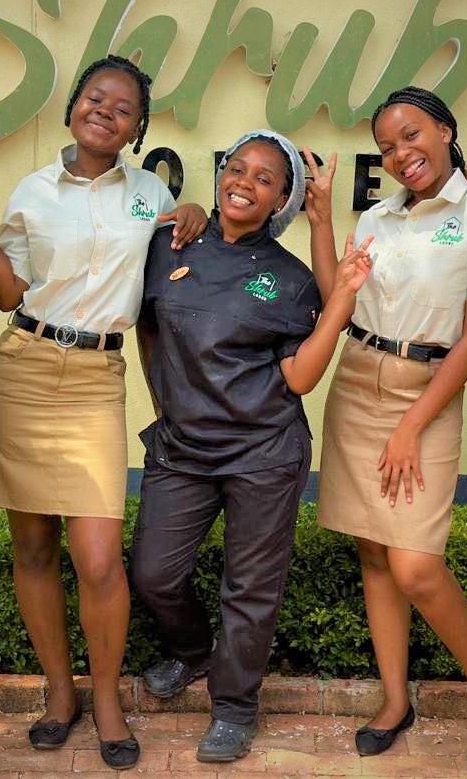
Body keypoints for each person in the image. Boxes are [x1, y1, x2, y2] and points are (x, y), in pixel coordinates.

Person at [0, 55, 207, 770]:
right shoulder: (32, 191)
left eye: (124, 108)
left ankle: (106, 701)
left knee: (98, 559)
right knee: (33, 548)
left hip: (98, 377)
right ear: (73, 107)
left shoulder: (149, 193)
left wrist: (194, 213)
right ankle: (60, 695)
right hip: (25, 368)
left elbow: (172, 260)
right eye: (96, 98)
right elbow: (7, 291)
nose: (106, 112)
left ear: (137, 129)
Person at [130, 129, 374, 763]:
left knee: (250, 588)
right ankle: (193, 652)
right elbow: (148, 326)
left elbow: (301, 378)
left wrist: (341, 302)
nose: (245, 183)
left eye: (265, 179)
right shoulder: (169, 244)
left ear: (281, 201)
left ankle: (235, 707)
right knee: (153, 573)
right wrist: (164, 399)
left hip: (263, 450)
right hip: (182, 447)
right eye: (237, 168)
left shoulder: (291, 280)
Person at [307, 86, 467, 758]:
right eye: (387, 146)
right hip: (356, 380)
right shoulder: (378, 216)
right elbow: (336, 300)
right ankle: (395, 699)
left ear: (446, 130)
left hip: (427, 392)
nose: (401, 153)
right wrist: (320, 221)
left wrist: (409, 428)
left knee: (416, 566)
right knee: (374, 553)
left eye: (412, 135)